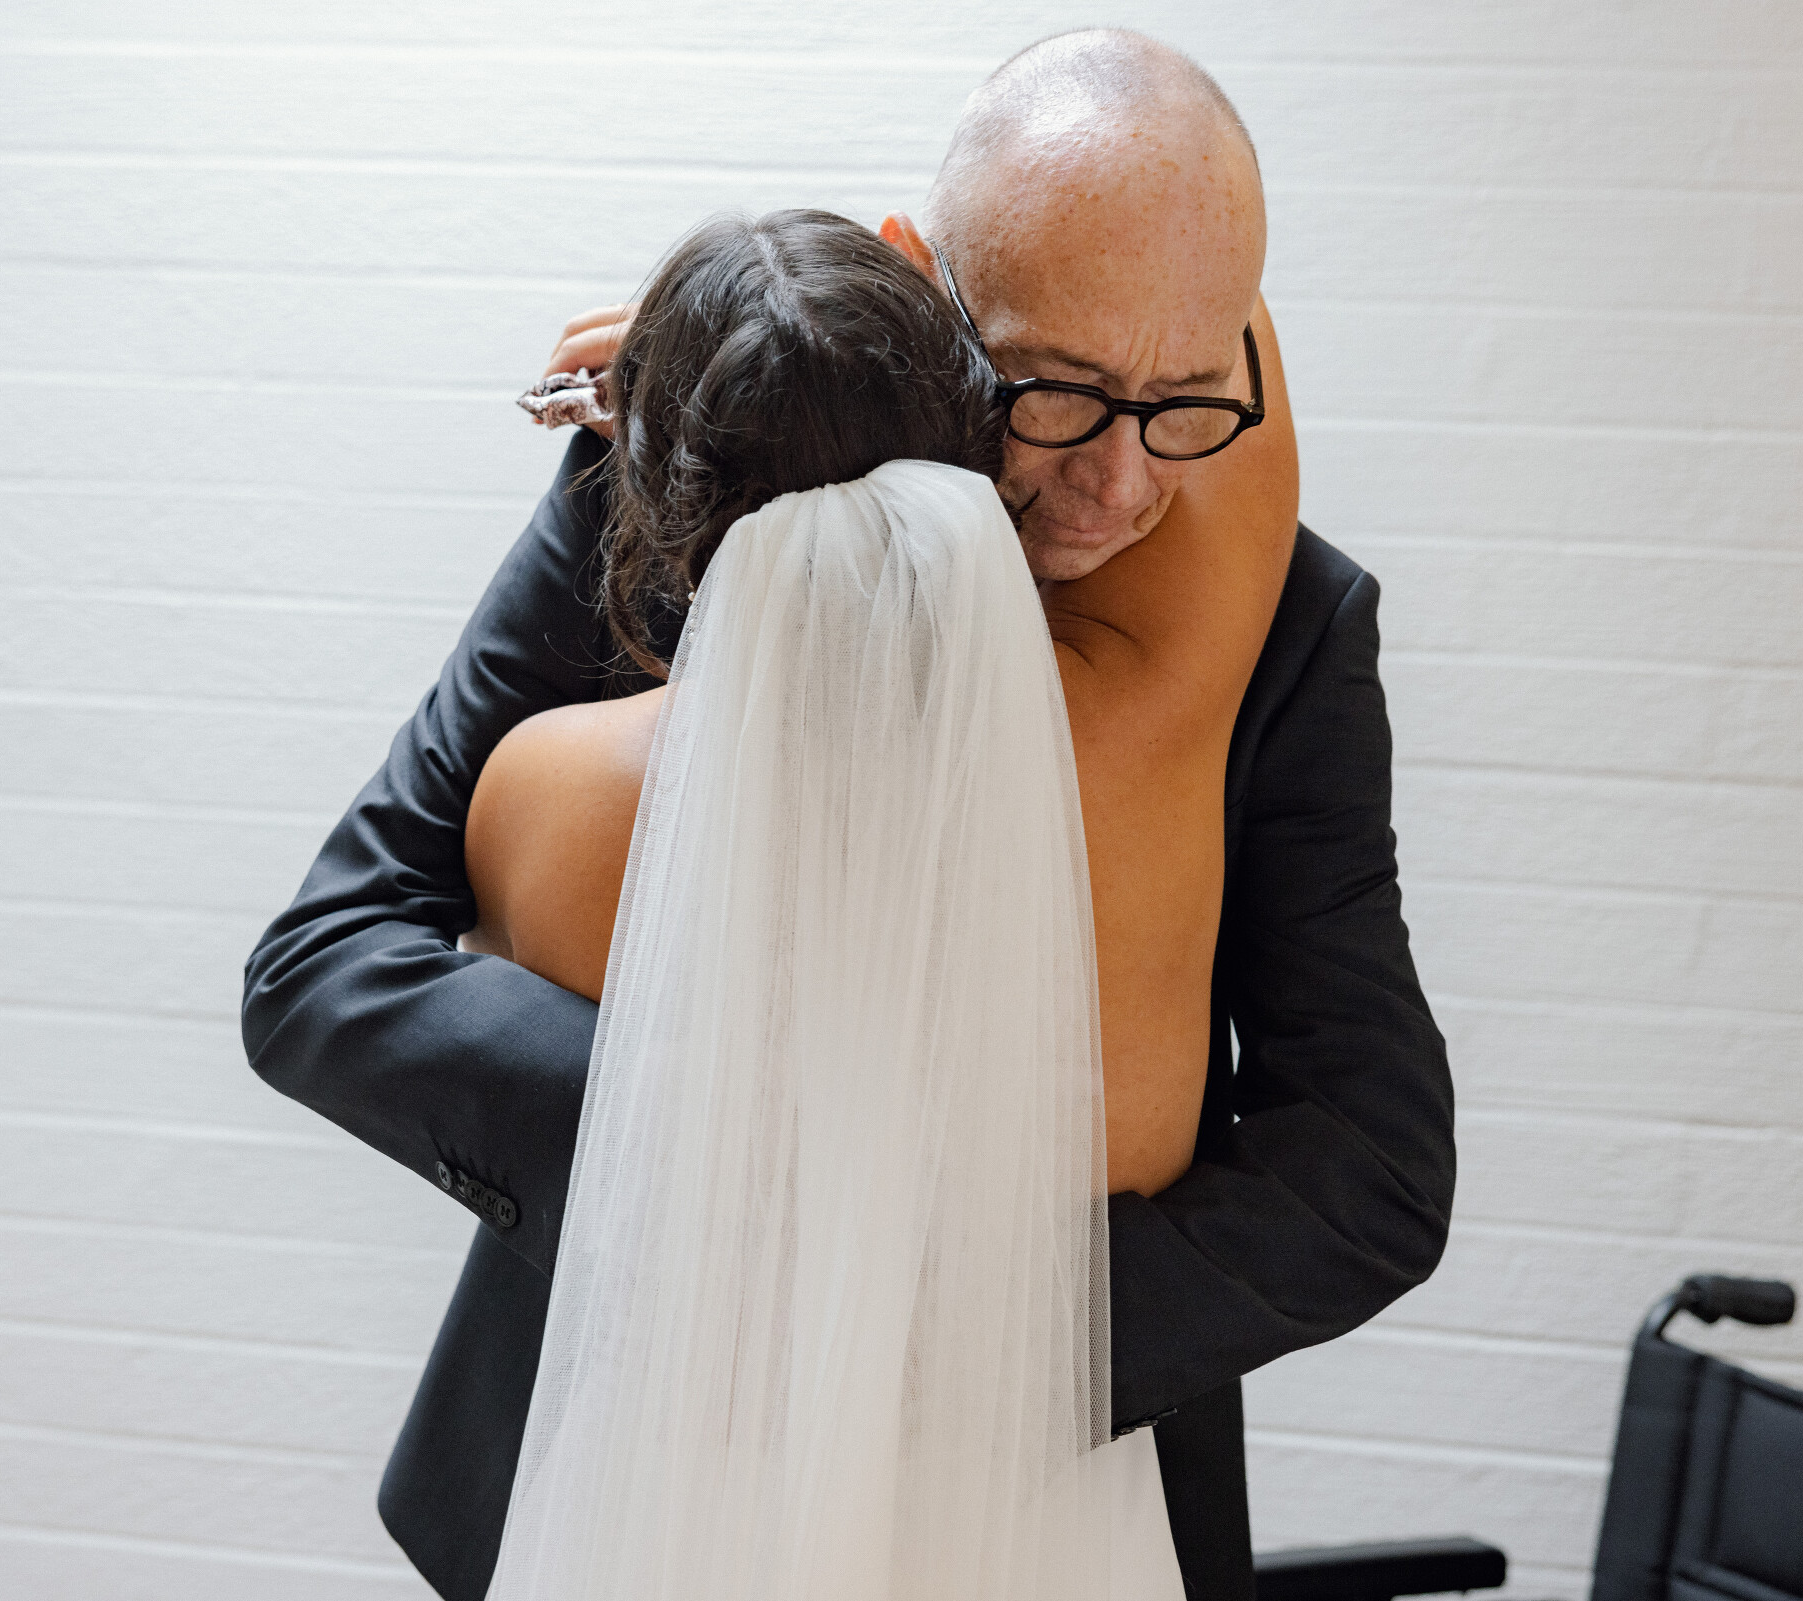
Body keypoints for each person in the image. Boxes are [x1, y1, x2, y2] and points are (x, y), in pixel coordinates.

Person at [242, 29, 1454, 1601]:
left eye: (1185, 400)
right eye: (1058, 391)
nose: (1116, 486)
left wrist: (958, 1350)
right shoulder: (656, 472)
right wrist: (714, 1199)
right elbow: (328, 963)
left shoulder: (1286, 629)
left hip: (1053, 1489)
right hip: (609, 1475)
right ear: (926, 289)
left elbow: (1367, 1163)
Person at [474, 207, 1191, 1601]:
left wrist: (705, 379)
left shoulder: (542, 797)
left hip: (687, 1497)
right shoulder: (1136, 766)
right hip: (1003, 1509)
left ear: (656, 497)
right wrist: (924, 271)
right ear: (974, 446)